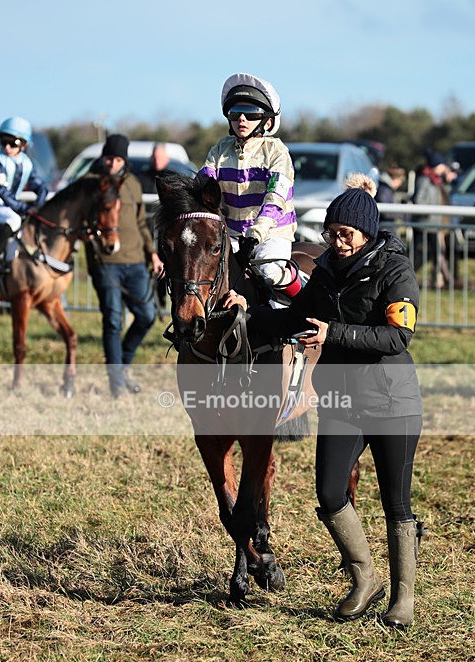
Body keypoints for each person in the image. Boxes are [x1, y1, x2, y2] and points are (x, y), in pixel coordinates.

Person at [224, 174, 423, 629]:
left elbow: (398, 336)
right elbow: (294, 317)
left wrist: (335, 334)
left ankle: (402, 598)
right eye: (331, 234)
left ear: (367, 233)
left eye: (345, 234)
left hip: (392, 400)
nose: (337, 242)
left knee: (396, 503)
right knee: (331, 492)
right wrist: (245, 312)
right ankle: (365, 577)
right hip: (340, 397)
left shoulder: (396, 270)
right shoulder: (328, 269)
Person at [198, 73, 300, 307]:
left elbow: (276, 198)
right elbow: (204, 187)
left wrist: (257, 232)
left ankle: (303, 301)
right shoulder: (219, 150)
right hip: (232, 233)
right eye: (235, 113)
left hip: (272, 233)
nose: (241, 118)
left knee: (269, 270)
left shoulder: (277, 152)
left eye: (251, 113)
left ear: (267, 121)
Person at [86, 134, 162, 398]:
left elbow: (141, 222)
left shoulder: (132, 182)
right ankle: (116, 382)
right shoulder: (90, 183)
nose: (113, 163)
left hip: (136, 262)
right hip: (106, 263)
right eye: (109, 158)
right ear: (103, 157)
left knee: (147, 316)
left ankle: (124, 366)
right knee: (113, 321)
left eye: (118, 159)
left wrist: (152, 254)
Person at [0, 117, 48, 275]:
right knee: (14, 219)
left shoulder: (27, 163)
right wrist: (24, 208)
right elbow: (1, 190)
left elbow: (40, 186)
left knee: (20, 232)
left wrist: (39, 204)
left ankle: (8, 266)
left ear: (24, 144)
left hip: (9, 204)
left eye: (12, 143)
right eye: (3, 141)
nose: (7, 147)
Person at [412, 148, 451, 288]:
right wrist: (429, 211)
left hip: (432, 224)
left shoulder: (435, 180)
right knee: (417, 253)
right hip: (424, 224)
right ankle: (406, 277)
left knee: (436, 253)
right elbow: (418, 200)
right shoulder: (424, 180)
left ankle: (441, 280)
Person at [376, 165, 406, 229]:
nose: (399, 184)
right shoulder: (384, 190)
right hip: (383, 227)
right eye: (399, 181)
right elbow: (385, 212)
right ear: (395, 178)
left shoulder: (386, 189)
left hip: (385, 226)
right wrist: (402, 214)